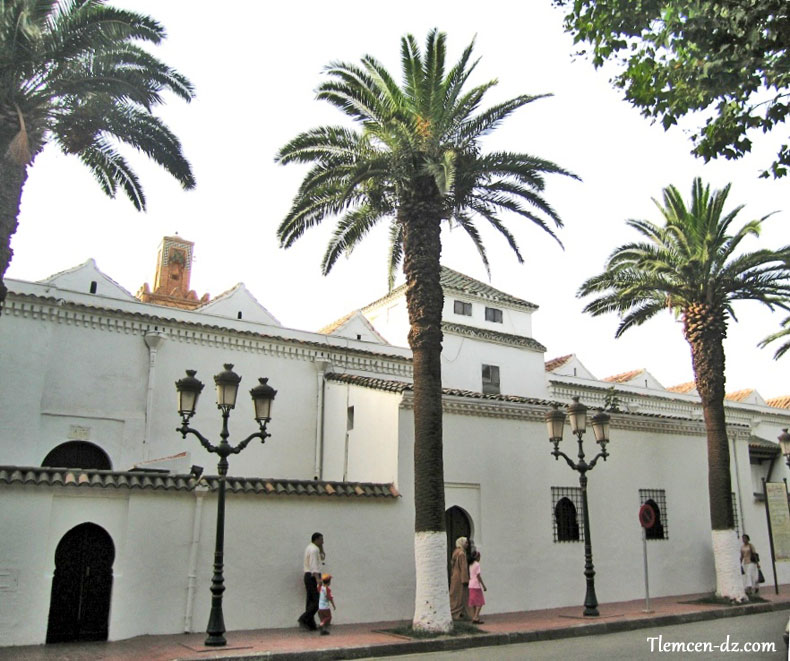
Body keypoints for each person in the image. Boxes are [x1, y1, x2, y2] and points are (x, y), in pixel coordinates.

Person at [298, 532, 325, 631]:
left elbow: (322, 557)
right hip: (312, 576)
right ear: (316, 539)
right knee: (317, 601)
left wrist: (321, 548)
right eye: (321, 539)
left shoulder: (310, 547)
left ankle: (311, 624)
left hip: (308, 575)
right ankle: (304, 618)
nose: (323, 542)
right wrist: (318, 578)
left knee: (310, 600)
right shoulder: (314, 549)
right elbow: (314, 565)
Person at [449, 536, 469, 620]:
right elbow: (463, 567)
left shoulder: (455, 552)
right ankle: (455, 613)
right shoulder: (461, 554)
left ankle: (455, 613)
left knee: (454, 594)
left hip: (454, 576)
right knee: (459, 595)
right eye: (466, 542)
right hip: (459, 577)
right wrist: (465, 579)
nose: (467, 544)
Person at [468, 550, 487, 623]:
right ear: (477, 557)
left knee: (473, 602)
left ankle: (474, 616)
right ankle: (476, 617)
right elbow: (478, 576)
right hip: (476, 585)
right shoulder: (477, 564)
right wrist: (483, 585)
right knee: (480, 602)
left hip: (471, 584)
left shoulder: (470, 564)